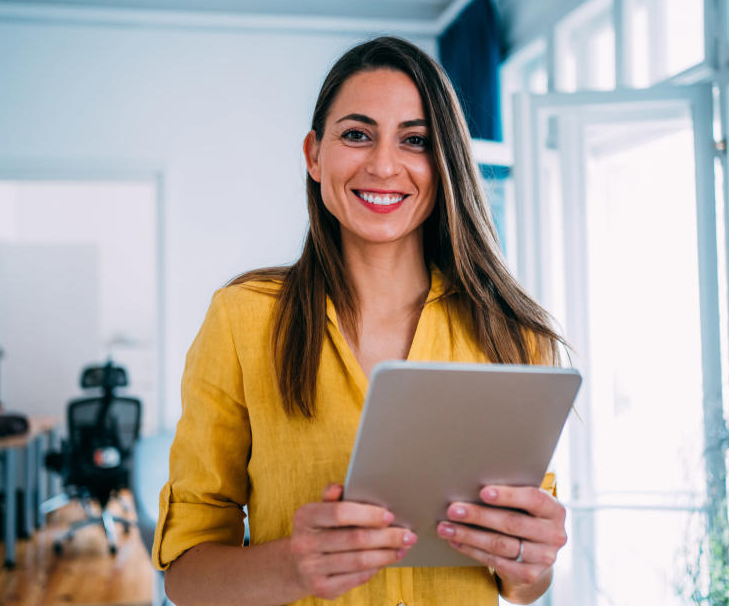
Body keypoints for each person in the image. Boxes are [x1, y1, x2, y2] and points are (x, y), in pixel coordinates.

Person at [153, 36, 569, 606]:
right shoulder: (242, 319)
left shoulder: (515, 337)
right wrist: (292, 568)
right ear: (314, 154)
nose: (383, 164)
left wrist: (530, 562)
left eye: (415, 140)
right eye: (357, 134)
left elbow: (522, 586)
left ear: (445, 160)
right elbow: (185, 574)